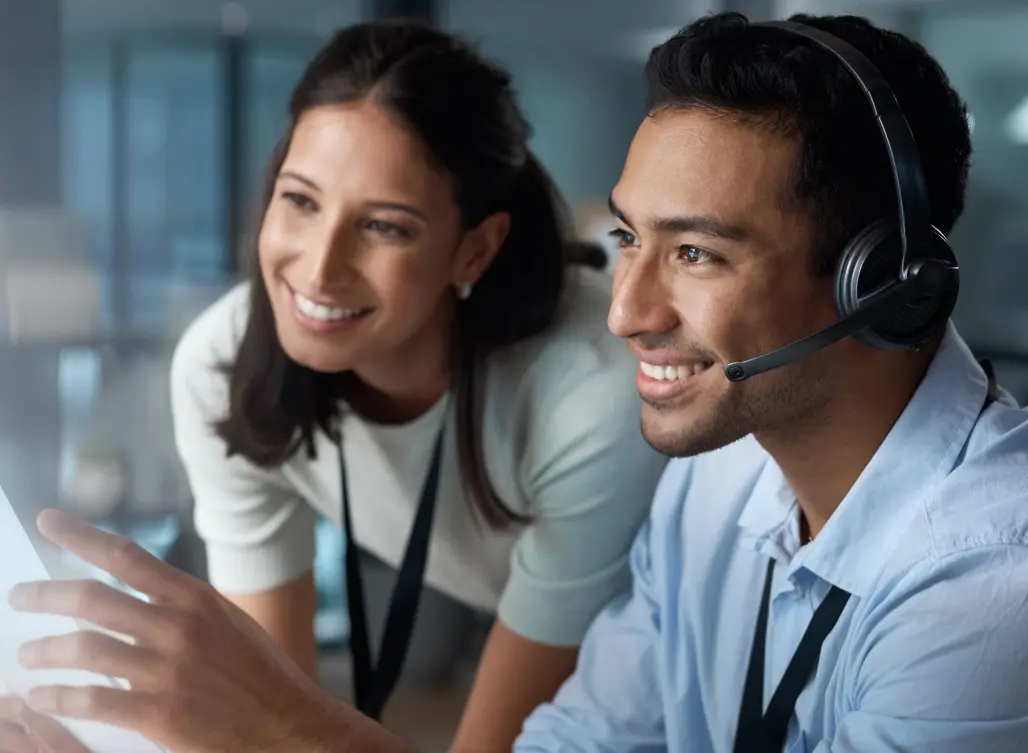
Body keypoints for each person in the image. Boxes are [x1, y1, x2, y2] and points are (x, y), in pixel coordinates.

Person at [6, 10, 1028, 753]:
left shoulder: (986, 591)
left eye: (696, 256)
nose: (626, 310)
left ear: (882, 286)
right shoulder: (715, 485)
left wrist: (276, 725)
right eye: (626, 240)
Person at [0, 18, 666, 753]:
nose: (318, 270)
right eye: (301, 201)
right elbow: (258, 718)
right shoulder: (225, 365)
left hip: (682, 691)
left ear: (474, 249)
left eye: (384, 227)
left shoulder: (588, 395)